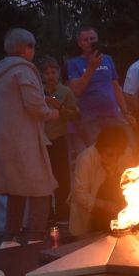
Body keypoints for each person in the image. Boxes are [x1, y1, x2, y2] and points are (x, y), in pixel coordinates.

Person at [0, 28, 61, 249]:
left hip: (3, 140)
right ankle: (36, 238)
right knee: (41, 188)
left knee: (16, 189)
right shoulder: (23, 70)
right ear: (26, 48)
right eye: (33, 47)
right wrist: (55, 112)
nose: (34, 52)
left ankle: (10, 238)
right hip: (23, 141)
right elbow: (35, 107)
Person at [67, 26, 133, 159]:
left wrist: (125, 112)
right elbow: (77, 90)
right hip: (91, 119)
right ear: (80, 43)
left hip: (113, 115)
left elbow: (116, 86)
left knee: (124, 151)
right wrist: (91, 68)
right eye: (85, 40)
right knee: (98, 156)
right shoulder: (74, 63)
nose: (89, 42)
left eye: (92, 39)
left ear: (97, 40)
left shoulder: (107, 59)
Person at [68, 125, 128, 237]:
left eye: (118, 154)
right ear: (100, 150)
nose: (115, 159)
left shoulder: (125, 153)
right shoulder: (86, 158)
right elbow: (80, 195)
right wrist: (107, 205)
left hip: (116, 215)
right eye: (110, 154)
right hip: (91, 215)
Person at [40, 56, 79, 222]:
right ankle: (47, 214)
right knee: (44, 178)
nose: (50, 76)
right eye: (47, 73)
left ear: (58, 73)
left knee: (62, 177)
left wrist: (60, 108)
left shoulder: (65, 92)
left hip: (59, 139)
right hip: (41, 140)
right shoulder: (37, 91)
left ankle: (63, 212)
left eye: (53, 72)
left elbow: (76, 113)